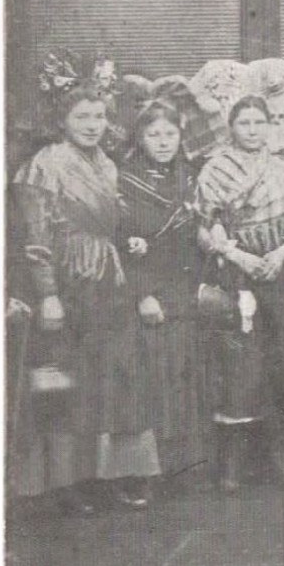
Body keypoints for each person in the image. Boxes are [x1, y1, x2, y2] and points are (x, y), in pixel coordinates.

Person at [11, 73, 162, 513]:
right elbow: (36, 237)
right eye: (82, 116)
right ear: (62, 120)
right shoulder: (43, 165)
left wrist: (125, 241)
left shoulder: (108, 164)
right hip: (67, 282)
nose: (92, 124)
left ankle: (105, 474)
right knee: (66, 385)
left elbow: (113, 221)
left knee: (108, 382)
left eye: (99, 116)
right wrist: (48, 294)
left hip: (107, 282)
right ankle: (64, 484)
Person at [194, 95, 284, 491]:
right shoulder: (215, 170)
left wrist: (282, 251)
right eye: (244, 123)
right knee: (242, 366)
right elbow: (207, 225)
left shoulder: (282, 165)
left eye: (259, 122)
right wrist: (239, 257)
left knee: (282, 363)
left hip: (280, 273)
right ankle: (233, 465)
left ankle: (280, 458)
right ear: (232, 127)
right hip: (237, 275)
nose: (252, 130)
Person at [117, 97, 207, 492]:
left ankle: (181, 467)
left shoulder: (191, 177)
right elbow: (117, 243)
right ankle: (146, 472)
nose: (164, 141)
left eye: (171, 133)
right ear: (140, 137)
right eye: (154, 134)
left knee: (184, 375)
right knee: (150, 378)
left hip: (183, 286)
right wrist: (142, 295)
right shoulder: (123, 179)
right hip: (144, 289)